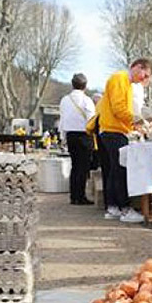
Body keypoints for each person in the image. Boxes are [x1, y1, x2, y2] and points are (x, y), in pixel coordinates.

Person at [98, 59, 152, 222]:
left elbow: (122, 110)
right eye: (145, 75)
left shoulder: (126, 83)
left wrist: (134, 124)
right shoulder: (120, 79)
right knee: (120, 171)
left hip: (114, 130)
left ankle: (113, 207)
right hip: (113, 131)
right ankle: (124, 208)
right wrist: (137, 120)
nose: (144, 79)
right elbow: (119, 109)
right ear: (137, 67)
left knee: (115, 170)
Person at [58, 73, 95, 205]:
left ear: (72, 84)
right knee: (83, 167)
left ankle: (73, 196)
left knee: (75, 166)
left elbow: (62, 119)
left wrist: (62, 136)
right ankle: (81, 196)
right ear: (85, 86)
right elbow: (92, 118)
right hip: (84, 135)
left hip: (70, 135)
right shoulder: (87, 100)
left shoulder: (64, 100)